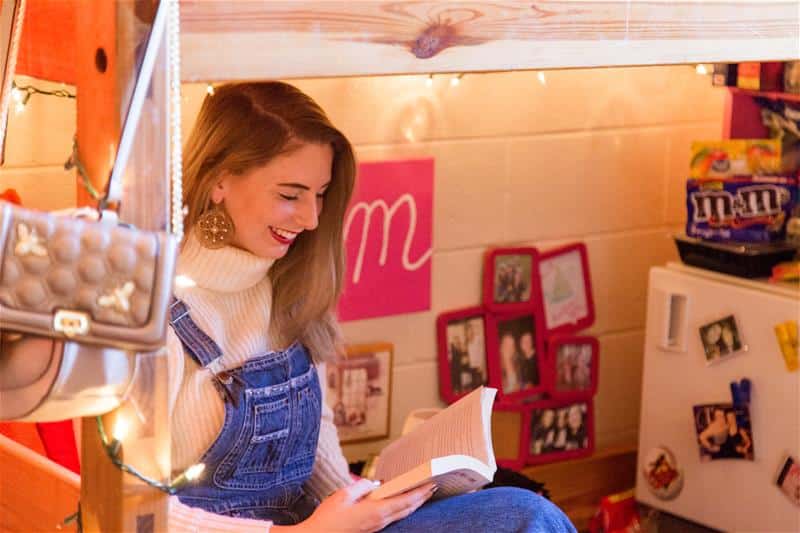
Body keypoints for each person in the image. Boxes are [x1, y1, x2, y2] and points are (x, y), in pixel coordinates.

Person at [167, 82, 576, 532]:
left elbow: (318, 451)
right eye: (290, 194)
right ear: (220, 178)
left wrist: (373, 500)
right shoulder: (160, 313)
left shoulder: (290, 287)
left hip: (322, 526)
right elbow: (134, 514)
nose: (311, 219)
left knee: (525, 514)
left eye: (319, 194)